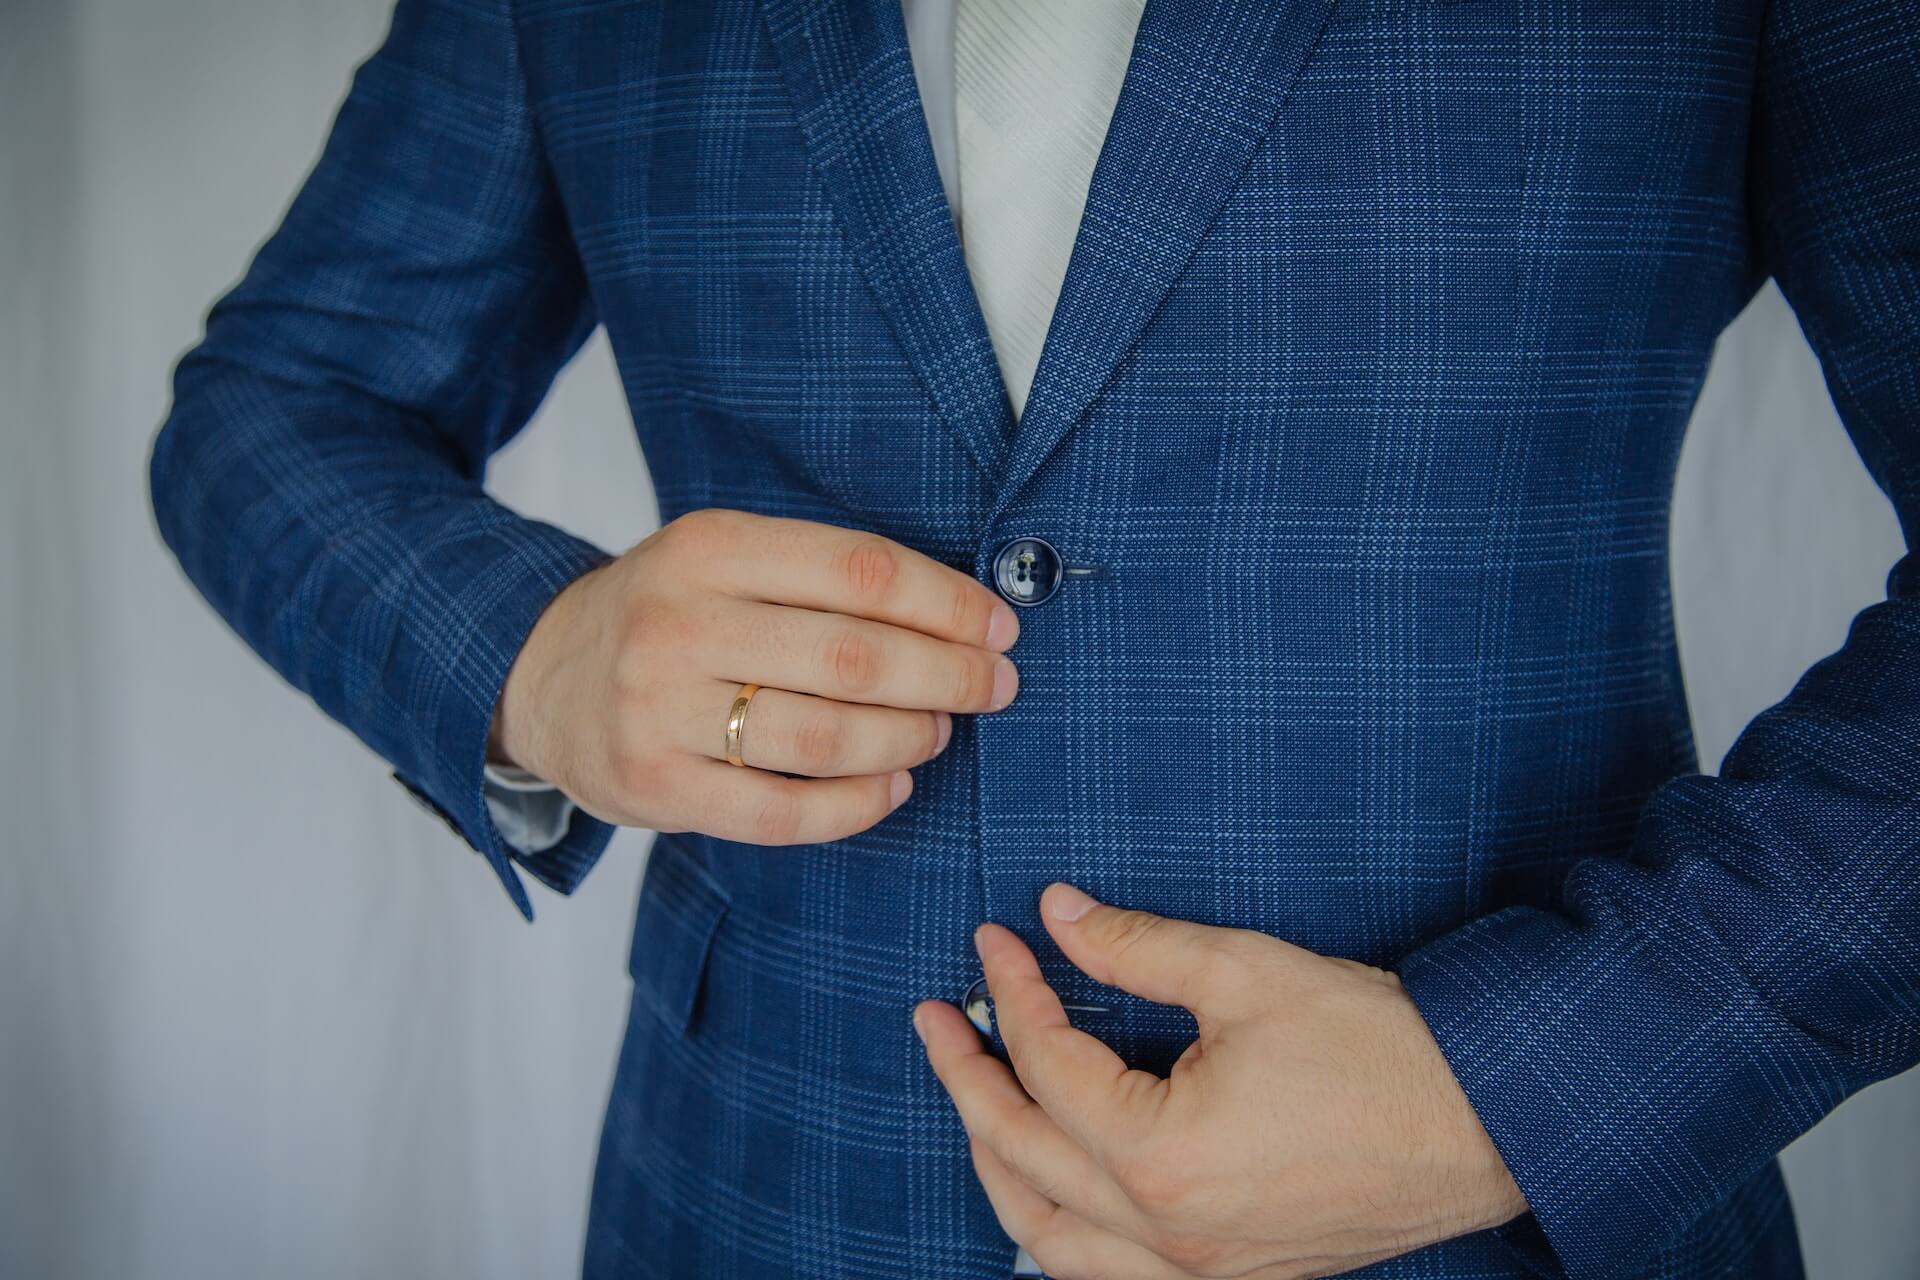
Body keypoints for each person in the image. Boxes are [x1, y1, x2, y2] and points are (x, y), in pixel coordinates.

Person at [146, 0, 1920, 1277]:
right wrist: (536, 653)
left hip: (1495, 1222)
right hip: (767, 1189)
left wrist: (1517, 1090)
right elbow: (279, 401)